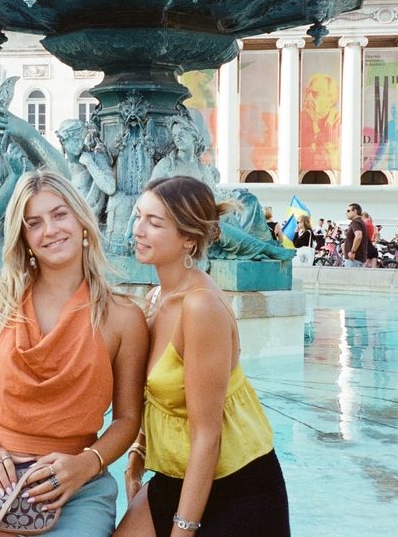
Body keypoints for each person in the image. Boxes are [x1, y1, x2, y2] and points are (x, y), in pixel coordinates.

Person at [0, 170, 148, 536]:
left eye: (60, 215)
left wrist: (87, 465)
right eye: (34, 223)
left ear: (81, 220)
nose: (51, 230)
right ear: (23, 238)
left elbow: (127, 419)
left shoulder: (124, 317)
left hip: (77, 489)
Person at [117, 175, 290, 536]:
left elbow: (208, 434)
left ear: (188, 239)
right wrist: (137, 456)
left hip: (238, 485)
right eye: (138, 216)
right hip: (178, 473)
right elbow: (157, 397)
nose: (138, 230)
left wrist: (182, 530)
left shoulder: (200, 307)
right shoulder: (157, 299)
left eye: (154, 222)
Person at [344, 203, 367, 268]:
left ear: (355, 211)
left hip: (354, 259)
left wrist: (352, 252)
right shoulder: (360, 222)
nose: (346, 213)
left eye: (348, 211)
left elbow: (359, 236)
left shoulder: (356, 222)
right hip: (356, 259)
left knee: (350, 277)